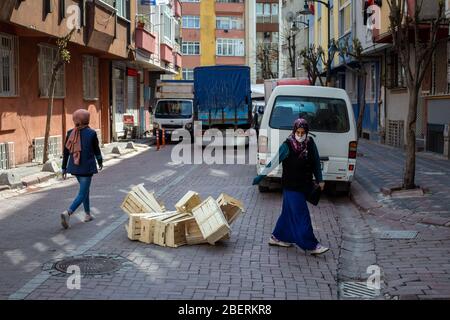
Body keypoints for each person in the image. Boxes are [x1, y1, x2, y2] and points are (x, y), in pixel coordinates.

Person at [253, 118, 329, 256]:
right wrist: (260, 176)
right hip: (291, 187)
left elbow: (316, 162)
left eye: (303, 132)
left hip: (304, 185)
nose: (300, 135)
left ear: (307, 132)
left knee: (287, 214)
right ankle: (312, 245)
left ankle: (277, 237)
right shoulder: (287, 145)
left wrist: (320, 180)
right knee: (302, 215)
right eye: (297, 132)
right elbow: (274, 162)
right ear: (294, 131)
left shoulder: (310, 144)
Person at [60, 109, 103, 229]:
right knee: (82, 192)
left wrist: (63, 167)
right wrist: (100, 161)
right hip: (86, 168)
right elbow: (96, 150)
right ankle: (68, 213)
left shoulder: (70, 133)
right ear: (87, 119)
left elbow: (66, 152)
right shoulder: (92, 133)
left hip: (74, 167)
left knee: (85, 190)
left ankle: (87, 214)